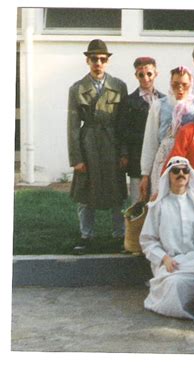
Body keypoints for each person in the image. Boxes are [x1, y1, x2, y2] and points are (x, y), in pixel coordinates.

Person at [140, 156, 194, 320]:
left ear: (190, 175)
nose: (181, 174)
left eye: (185, 170)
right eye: (175, 171)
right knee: (174, 284)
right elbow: (148, 240)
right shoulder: (158, 206)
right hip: (172, 261)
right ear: (168, 176)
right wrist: (164, 258)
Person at [67, 39, 128, 254]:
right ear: (87, 60)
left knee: (117, 191)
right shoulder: (77, 88)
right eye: (94, 59)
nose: (98, 63)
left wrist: (124, 152)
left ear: (107, 61)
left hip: (112, 142)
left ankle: (121, 235)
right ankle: (86, 235)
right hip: (88, 143)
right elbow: (73, 125)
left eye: (103, 59)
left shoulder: (118, 86)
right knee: (85, 191)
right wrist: (77, 159)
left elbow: (123, 123)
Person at [140, 66, 194, 200]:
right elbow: (150, 140)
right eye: (176, 84)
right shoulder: (159, 105)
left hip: (188, 161)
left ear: (190, 85)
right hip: (163, 160)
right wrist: (145, 174)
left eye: (184, 85)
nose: (180, 88)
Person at [122, 57, 165, 204]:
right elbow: (123, 131)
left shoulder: (163, 100)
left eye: (149, 74)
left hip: (159, 156)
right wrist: (124, 154)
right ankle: (136, 227)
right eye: (141, 75)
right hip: (137, 157)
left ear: (156, 74)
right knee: (138, 200)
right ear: (136, 76)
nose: (145, 78)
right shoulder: (128, 101)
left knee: (157, 198)